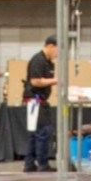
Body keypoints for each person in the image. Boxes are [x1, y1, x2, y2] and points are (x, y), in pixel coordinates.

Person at [23, 36, 58, 172]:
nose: (57, 54)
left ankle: (29, 163)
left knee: (34, 134)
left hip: (40, 101)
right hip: (35, 101)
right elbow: (35, 81)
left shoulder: (49, 63)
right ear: (50, 46)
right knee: (44, 132)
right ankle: (42, 164)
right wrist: (55, 81)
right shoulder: (38, 60)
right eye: (56, 50)